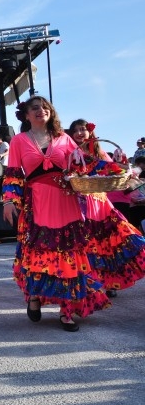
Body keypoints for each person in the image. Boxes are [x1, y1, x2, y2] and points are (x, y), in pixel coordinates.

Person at [1, 96, 110, 332]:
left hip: (66, 200)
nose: (41, 111)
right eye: (35, 108)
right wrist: (9, 200)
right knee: (40, 254)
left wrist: (113, 167)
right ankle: (35, 296)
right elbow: (12, 173)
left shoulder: (64, 138)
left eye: (45, 107)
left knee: (70, 254)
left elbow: (83, 167)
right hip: (38, 202)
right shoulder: (19, 141)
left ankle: (66, 311)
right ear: (26, 115)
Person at [66, 118, 145, 298]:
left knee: (109, 242)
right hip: (80, 204)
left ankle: (111, 283)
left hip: (100, 203)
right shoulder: (69, 152)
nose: (80, 133)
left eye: (83, 129)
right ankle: (93, 283)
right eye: (76, 130)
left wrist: (124, 166)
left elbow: (115, 169)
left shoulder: (99, 152)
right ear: (71, 134)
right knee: (89, 245)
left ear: (90, 132)